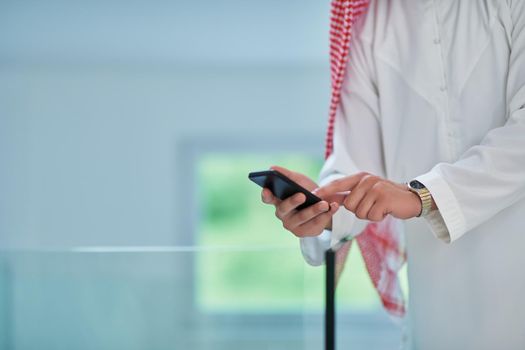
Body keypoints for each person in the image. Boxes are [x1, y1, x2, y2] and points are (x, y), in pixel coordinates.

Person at [261, 1, 525, 349]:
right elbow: (360, 172)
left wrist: (421, 196)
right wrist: (323, 208)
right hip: (434, 310)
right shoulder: (372, 21)